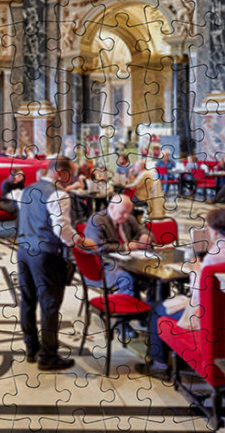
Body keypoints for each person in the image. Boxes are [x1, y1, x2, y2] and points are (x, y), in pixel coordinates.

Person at [137, 208, 225, 374]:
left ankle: (159, 364)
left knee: (156, 308)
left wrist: (196, 271)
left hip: (204, 316)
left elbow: (199, 295)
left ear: (215, 232)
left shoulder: (214, 256)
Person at [16, 155, 90, 370]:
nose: (72, 179)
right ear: (60, 173)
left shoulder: (28, 190)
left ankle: (32, 349)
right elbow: (61, 229)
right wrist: (80, 241)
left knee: (28, 300)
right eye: (71, 174)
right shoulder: (59, 194)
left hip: (23, 251)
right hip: (45, 254)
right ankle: (48, 356)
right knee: (49, 304)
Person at [82, 193, 151, 298]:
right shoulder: (97, 220)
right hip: (105, 266)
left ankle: (153, 307)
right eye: (123, 212)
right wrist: (125, 247)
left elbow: (142, 229)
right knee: (127, 278)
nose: (126, 216)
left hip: (129, 261)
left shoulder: (128, 218)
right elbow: (98, 248)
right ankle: (126, 307)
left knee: (154, 274)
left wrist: (145, 235)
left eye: (128, 212)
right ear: (111, 207)